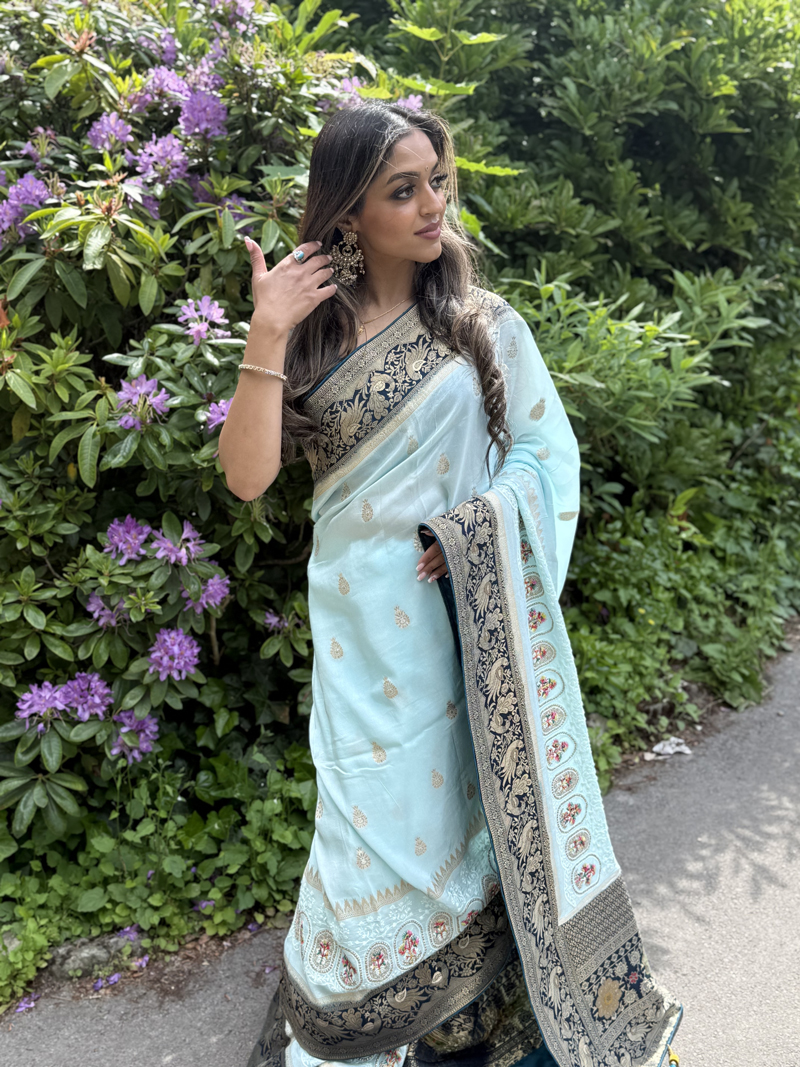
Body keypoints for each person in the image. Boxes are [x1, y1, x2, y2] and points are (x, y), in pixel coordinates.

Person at [218, 102, 682, 1067]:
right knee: (365, 841)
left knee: (478, 836)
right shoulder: (310, 337)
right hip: (362, 646)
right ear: (348, 213)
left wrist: (479, 529)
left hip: (468, 632)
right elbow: (249, 478)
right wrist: (266, 330)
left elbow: (546, 454)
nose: (433, 204)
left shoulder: (480, 324)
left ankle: (476, 1035)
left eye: (437, 180)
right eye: (403, 190)